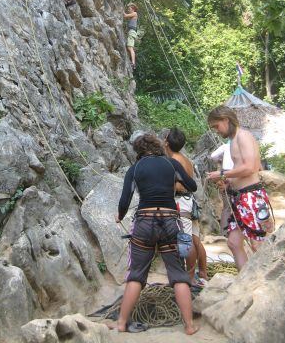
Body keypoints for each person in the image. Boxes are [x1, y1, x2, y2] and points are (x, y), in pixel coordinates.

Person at [110, 133, 198, 335]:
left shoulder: (136, 168)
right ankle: (190, 326)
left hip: (144, 222)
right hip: (170, 220)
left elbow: (125, 198)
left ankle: (121, 323)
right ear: (158, 147)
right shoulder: (171, 164)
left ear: (139, 151)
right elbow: (192, 186)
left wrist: (120, 215)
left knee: (137, 273)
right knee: (178, 273)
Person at [207, 105, 273, 270]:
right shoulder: (233, 140)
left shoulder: (243, 136)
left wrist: (223, 174)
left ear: (226, 120)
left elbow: (251, 167)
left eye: (217, 126)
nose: (216, 130)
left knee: (258, 244)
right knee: (234, 243)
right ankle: (245, 281)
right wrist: (229, 182)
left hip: (251, 197)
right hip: (238, 197)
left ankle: (264, 280)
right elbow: (241, 169)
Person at [164, 127, 208, 286]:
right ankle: (202, 272)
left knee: (186, 240)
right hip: (189, 201)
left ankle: (189, 278)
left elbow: (179, 186)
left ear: (166, 142)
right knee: (195, 239)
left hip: (181, 202)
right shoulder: (185, 159)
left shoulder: (175, 160)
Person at [123, 4, 138, 70]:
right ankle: (131, 62)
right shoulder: (132, 16)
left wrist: (121, 9)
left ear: (133, 9)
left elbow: (125, 15)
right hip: (131, 32)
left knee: (130, 47)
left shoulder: (135, 13)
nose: (128, 10)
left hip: (132, 32)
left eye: (129, 9)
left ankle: (133, 63)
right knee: (129, 48)